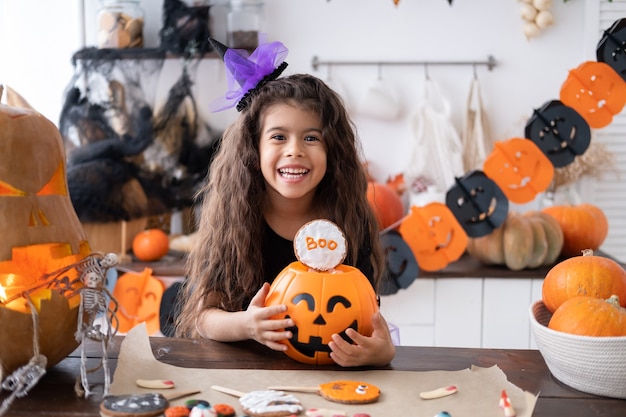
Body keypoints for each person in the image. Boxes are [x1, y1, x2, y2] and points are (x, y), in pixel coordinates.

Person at [174, 39, 395, 367]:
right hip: (248, 374)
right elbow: (203, 317)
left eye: (311, 138)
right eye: (279, 137)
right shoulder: (234, 220)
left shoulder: (349, 219)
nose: (295, 150)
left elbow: (368, 316)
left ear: (332, 152)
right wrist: (246, 325)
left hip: (329, 379)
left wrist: (383, 352)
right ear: (254, 149)